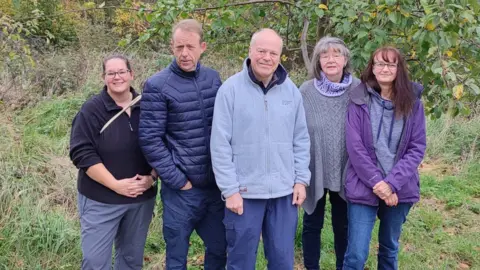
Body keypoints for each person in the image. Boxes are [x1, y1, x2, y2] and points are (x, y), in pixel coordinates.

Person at [211, 28, 311, 270]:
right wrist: (230, 190)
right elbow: (220, 144)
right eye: (261, 51)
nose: (267, 57)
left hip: (283, 193)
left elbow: (301, 139)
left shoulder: (291, 92)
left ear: (280, 56)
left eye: (273, 52)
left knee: (282, 261)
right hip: (244, 194)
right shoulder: (230, 90)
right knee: (240, 262)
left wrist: (301, 180)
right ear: (250, 51)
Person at [138, 19, 226, 270]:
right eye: (179, 47)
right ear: (172, 48)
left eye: (190, 46)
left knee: (220, 249)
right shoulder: (158, 85)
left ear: (203, 47)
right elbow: (150, 139)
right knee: (177, 256)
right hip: (181, 192)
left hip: (214, 188)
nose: (184, 53)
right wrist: (178, 180)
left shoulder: (213, 79)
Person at [342, 46, 426, 270]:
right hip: (363, 185)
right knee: (356, 255)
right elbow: (355, 147)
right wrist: (378, 184)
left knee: (389, 249)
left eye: (390, 64)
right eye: (380, 63)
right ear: (372, 67)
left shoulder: (413, 103)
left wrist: (391, 184)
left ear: (399, 69)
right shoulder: (358, 99)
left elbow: (417, 148)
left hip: (399, 189)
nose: (385, 68)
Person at [70, 54, 157, 270]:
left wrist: (152, 178)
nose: (117, 77)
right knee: (95, 262)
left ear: (131, 74)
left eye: (121, 72)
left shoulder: (148, 107)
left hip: (139, 200)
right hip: (101, 200)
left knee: (130, 261)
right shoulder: (92, 110)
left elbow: (163, 144)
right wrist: (115, 185)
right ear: (103, 77)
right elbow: (82, 153)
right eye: (111, 73)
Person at [299, 36, 360, 270]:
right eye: (325, 55)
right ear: (318, 61)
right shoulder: (306, 91)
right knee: (312, 224)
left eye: (336, 54)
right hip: (314, 168)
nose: (330, 59)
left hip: (347, 170)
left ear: (345, 59)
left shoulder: (358, 90)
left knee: (343, 226)